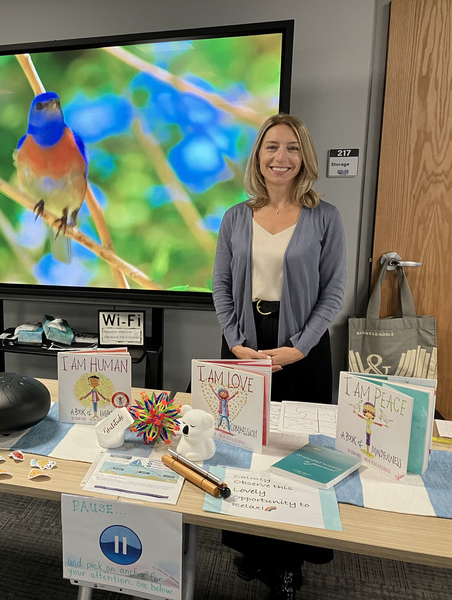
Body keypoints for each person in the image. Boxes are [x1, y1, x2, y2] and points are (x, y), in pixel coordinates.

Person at [212, 113, 346, 600]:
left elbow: (333, 291)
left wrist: (299, 347)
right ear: (259, 157)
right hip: (244, 341)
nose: (280, 157)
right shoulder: (235, 216)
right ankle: (254, 547)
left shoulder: (325, 216)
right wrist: (233, 340)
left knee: (296, 451)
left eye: (291, 148)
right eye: (271, 147)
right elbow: (222, 286)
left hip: (303, 346)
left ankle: (289, 561)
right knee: (246, 447)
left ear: (304, 157)